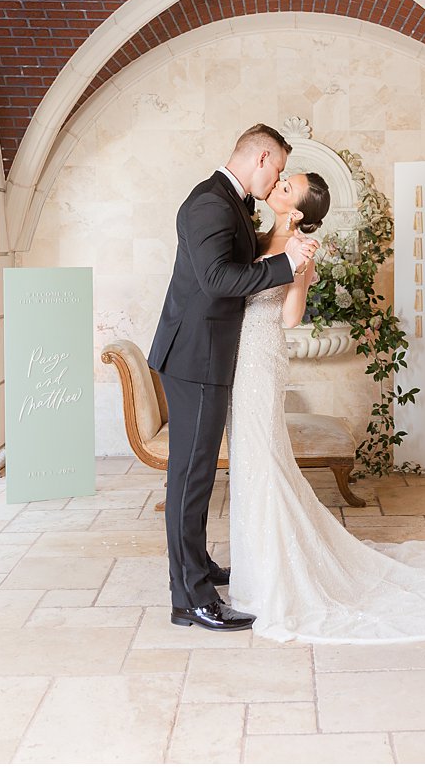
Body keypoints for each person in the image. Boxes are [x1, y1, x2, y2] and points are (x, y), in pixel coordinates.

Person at [227, 170, 425, 643]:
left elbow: (290, 316)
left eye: (286, 188)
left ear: (296, 211)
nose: (276, 187)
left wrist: (295, 268)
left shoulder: (301, 249)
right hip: (238, 353)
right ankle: (255, 569)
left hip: (262, 356)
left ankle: (276, 578)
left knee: (265, 458)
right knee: (251, 459)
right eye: (282, 181)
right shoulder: (257, 234)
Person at [148, 123, 317, 631]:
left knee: (196, 474)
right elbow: (219, 280)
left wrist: (283, 239)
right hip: (195, 358)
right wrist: (286, 264)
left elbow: (240, 259)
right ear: (263, 157)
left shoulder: (228, 201)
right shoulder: (210, 203)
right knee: (191, 477)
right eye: (280, 169)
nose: (278, 179)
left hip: (210, 354)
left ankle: (196, 569)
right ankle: (191, 599)